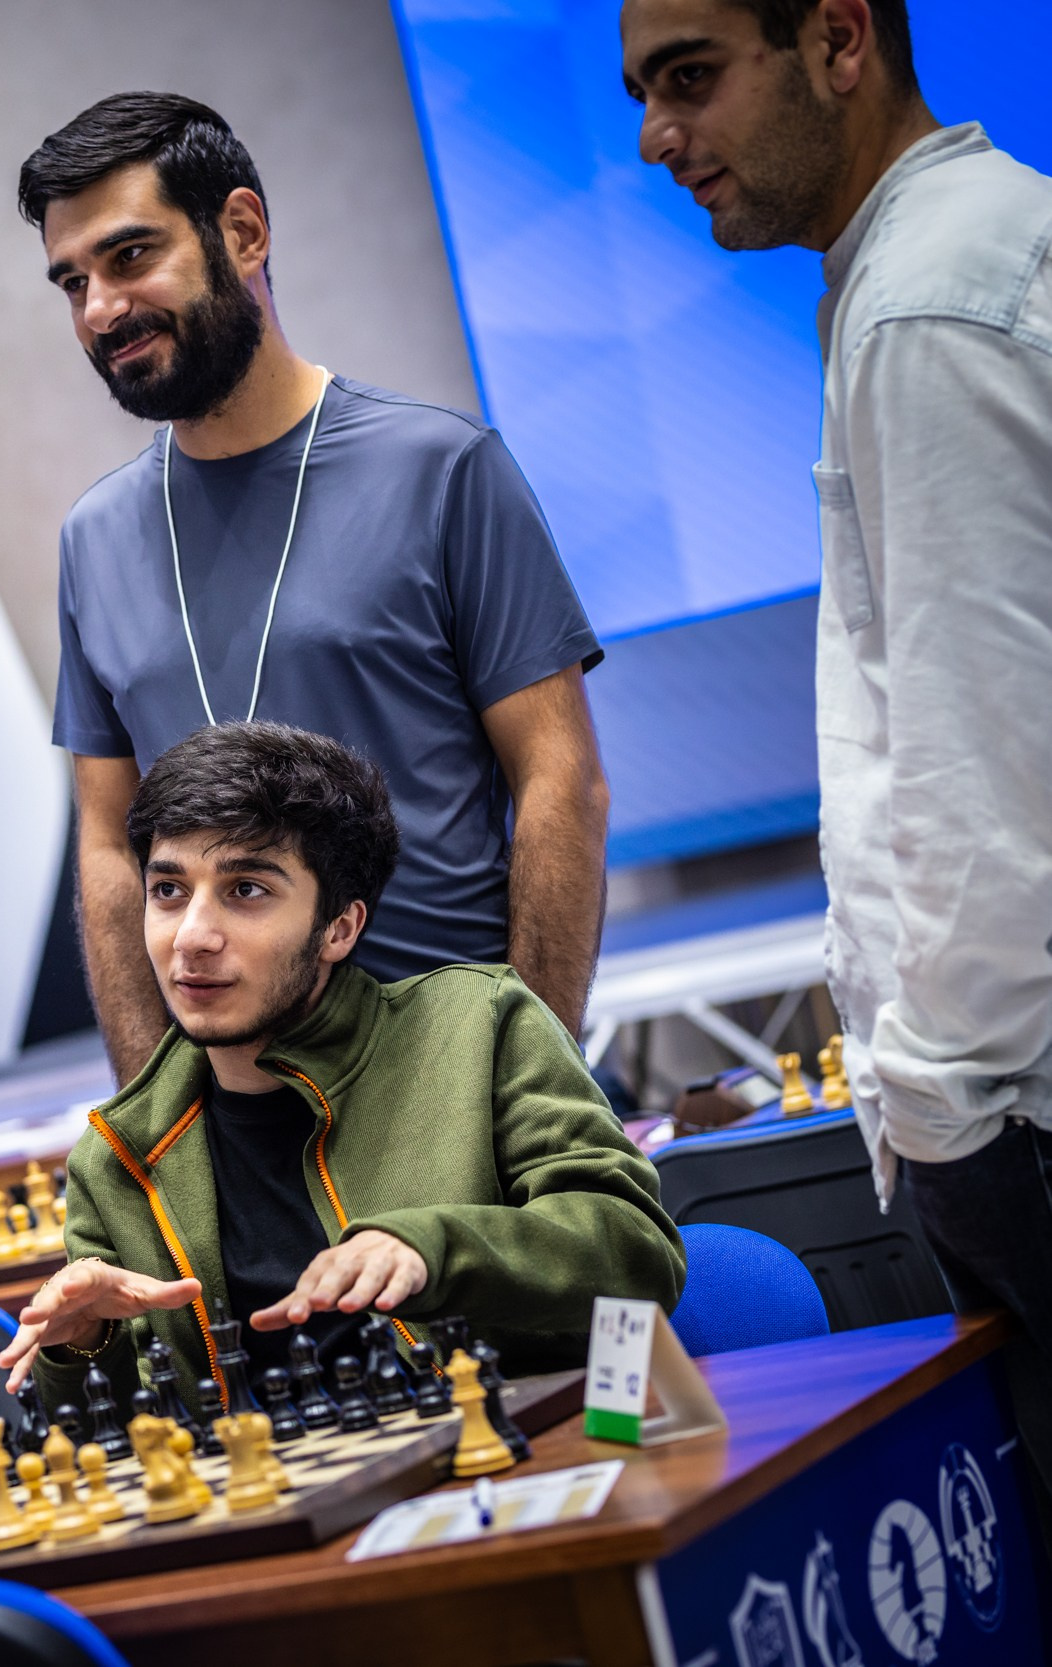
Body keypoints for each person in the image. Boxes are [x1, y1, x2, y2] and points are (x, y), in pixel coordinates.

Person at [622, 0, 1052, 1508]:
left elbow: (983, 761)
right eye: (642, 94)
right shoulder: (947, 252)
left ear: (839, 40)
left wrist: (945, 1106)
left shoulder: (926, 299)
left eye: (692, 78)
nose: (658, 137)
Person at [20, 93, 614, 1086]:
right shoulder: (96, 538)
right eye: (71, 281)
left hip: (450, 1065)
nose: (99, 311)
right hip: (236, 1104)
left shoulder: (441, 469)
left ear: (242, 232)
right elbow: (108, 848)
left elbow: (559, 783)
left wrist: (527, 1077)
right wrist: (154, 1116)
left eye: (130, 258)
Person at [0, 722, 682, 1410]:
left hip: (509, 1469)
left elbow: (635, 1250)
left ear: (340, 927)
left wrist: (428, 1248)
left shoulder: (480, 1025)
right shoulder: (120, 1151)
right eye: (169, 891)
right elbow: (98, 1436)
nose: (192, 937)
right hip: (279, 1501)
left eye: (246, 891)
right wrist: (80, 1344)